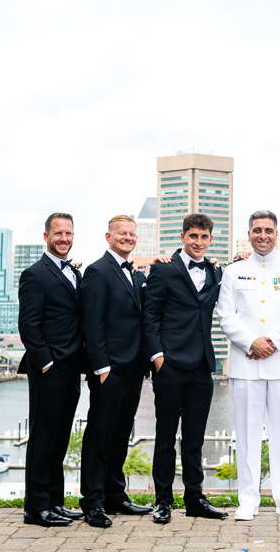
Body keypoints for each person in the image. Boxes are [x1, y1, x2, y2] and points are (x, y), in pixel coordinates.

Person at [217, 210, 280, 521]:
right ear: (249, 234)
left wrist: (270, 341)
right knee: (245, 434)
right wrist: (250, 342)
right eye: (257, 230)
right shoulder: (233, 272)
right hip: (245, 365)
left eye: (268, 230)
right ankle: (248, 499)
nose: (263, 235)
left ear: (276, 234)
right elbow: (225, 315)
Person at [143, 213, 229, 524]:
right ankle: (162, 501)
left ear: (210, 239)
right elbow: (150, 316)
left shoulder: (217, 270)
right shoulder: (163, 269)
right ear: (183, 237)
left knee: (195, 439)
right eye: (193, 236)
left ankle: (195, 499)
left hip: (203, 366)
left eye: (204, 237)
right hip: (170, 366)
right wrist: (157, 357)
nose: (198, 242)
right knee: (165, 436)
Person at [78, 215, 153, 527]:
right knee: (100, 436)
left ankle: (115, 494)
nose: (128, 238)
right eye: (122, 234)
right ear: (108, 236)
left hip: (133, 369)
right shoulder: (96, 271)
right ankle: (92, 501)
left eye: (132, 234)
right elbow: (91, 324)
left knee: (122, 435)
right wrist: (102, 367)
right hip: (109, 370)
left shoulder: (135, 273)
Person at [17, 213, 85, 527]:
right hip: (49, 369)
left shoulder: (74, 272)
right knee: (43, 437)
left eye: (68, 233)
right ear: (46, 236)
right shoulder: (34, 274)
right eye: (58, 233)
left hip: (72, 369)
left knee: (59, 438)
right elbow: (28, 325)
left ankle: (55, 502)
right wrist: (46, 362)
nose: (64, 238)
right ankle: (36, 508)